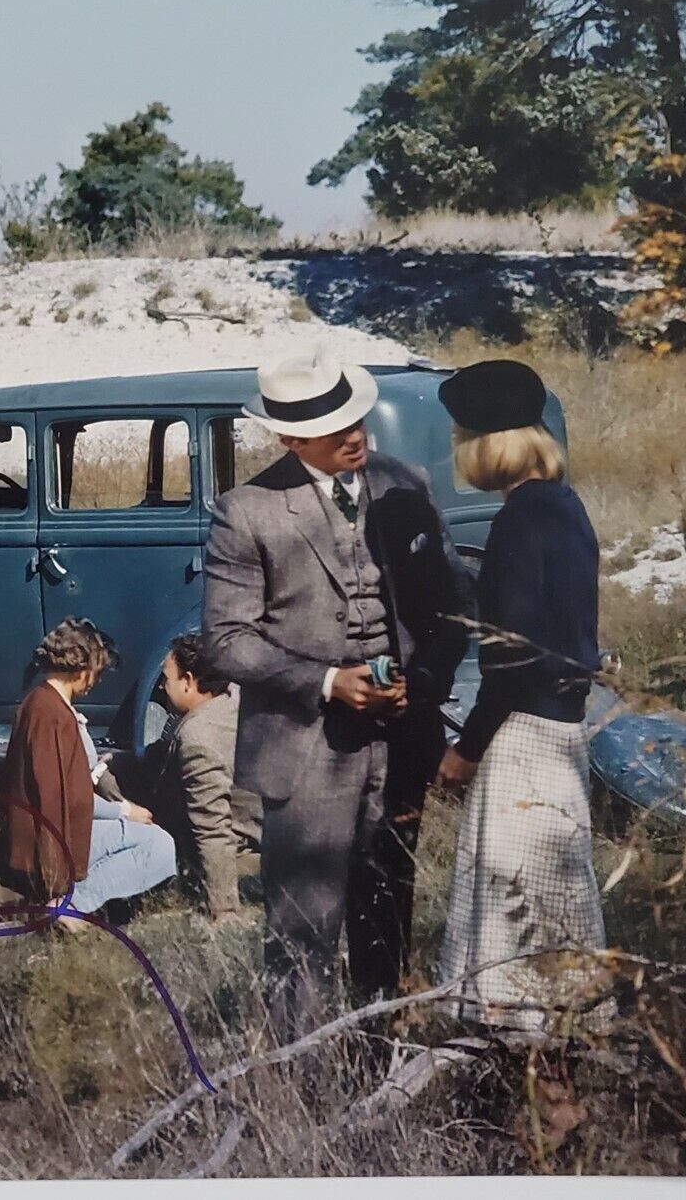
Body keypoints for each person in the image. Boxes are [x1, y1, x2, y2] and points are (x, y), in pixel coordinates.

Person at [202, 348, 473, 1040]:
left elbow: (452, 606)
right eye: (333, 429)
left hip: (402, 746)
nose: (355, 435)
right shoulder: (247, 511)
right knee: (302, 935)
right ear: (291, 439)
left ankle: (378, 1070)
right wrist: (327, 682)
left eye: (355, 417)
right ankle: (301, 1095)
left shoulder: (404, 482)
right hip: (305, 753)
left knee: (388, 922)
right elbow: (226, 641)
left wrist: (427, 682)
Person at [434, 359, 610, 1033]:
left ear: (488, 444)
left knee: (510, 903)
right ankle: (567, 1042)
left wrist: (466, 749)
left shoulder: (518, 522)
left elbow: (510, 660)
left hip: (524, 739)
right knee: (560, 902)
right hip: (566, 732)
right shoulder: (566, 507)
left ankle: (515, 1045)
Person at [0, 618, 177, 931]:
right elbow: (68, 799)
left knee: (146, 840)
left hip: (33, 840)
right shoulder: (53, 715)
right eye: (97, 672)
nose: (96, 681)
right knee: (159, 845)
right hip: (48, 844)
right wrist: (125, 811)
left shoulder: (37, 703)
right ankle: (73, 905)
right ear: (82, 667)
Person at [155, 633, 263, 923]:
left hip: (243, 845)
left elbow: (212, 828)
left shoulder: (198, 738)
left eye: (166, 679)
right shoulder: (231, 697)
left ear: (188, 681)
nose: (162, 686)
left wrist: (223, 908)